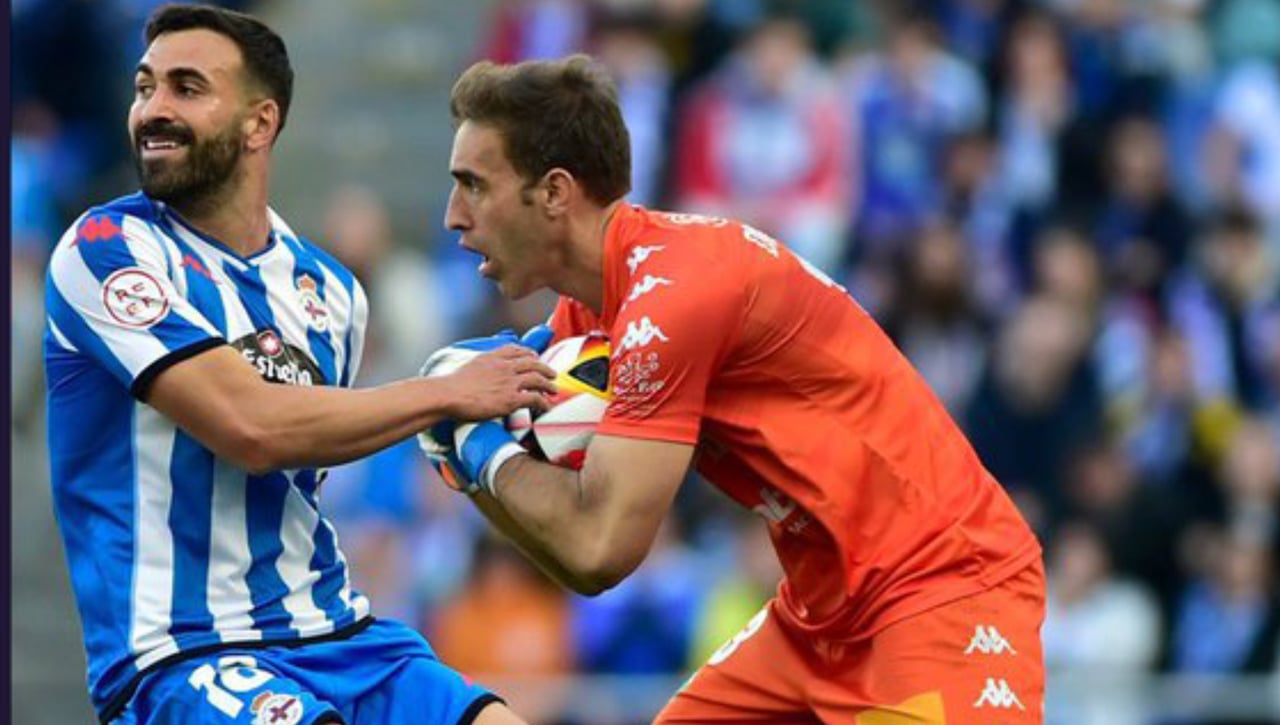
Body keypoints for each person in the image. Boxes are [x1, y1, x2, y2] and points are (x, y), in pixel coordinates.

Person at [421, 54, 1047, 723]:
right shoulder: (591, 315)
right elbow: (564, 543)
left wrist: (473, 449)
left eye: (474, 185)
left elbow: (598, 551)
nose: (454, 215)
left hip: (942, 588)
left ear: (553, 192)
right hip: (819, 617)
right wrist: (461, 449)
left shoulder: (672, 302)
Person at [43, 5, 554, 725]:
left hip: (340, 633)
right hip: (187, 655)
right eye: (144, 86)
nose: (153, 110)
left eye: (187, 88)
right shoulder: (106, 249)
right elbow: (255, 428)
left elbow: (308, 461)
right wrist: (443, 396)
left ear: (260, 123)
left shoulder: (332, 293)